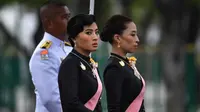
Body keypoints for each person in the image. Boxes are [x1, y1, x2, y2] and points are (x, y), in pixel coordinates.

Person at [29, 1, 72, 112]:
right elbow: (51, 100)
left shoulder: (69, 48)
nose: (70, 22)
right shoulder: (43, 54)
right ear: (49, 23)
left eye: (69, 17)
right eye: (64, 17)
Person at [100, 15, 146, 112]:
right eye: (132, 35)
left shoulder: (126, 64)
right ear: (118, 38)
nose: (137, 39)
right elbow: (114, 108)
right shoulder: (114, 67)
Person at [58, 14, 102, 112]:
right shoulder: (70, 64)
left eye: (96, 32)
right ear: (74, 38)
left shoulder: (91, 64)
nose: (95, 37)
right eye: (89, 33)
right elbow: (71, 104)